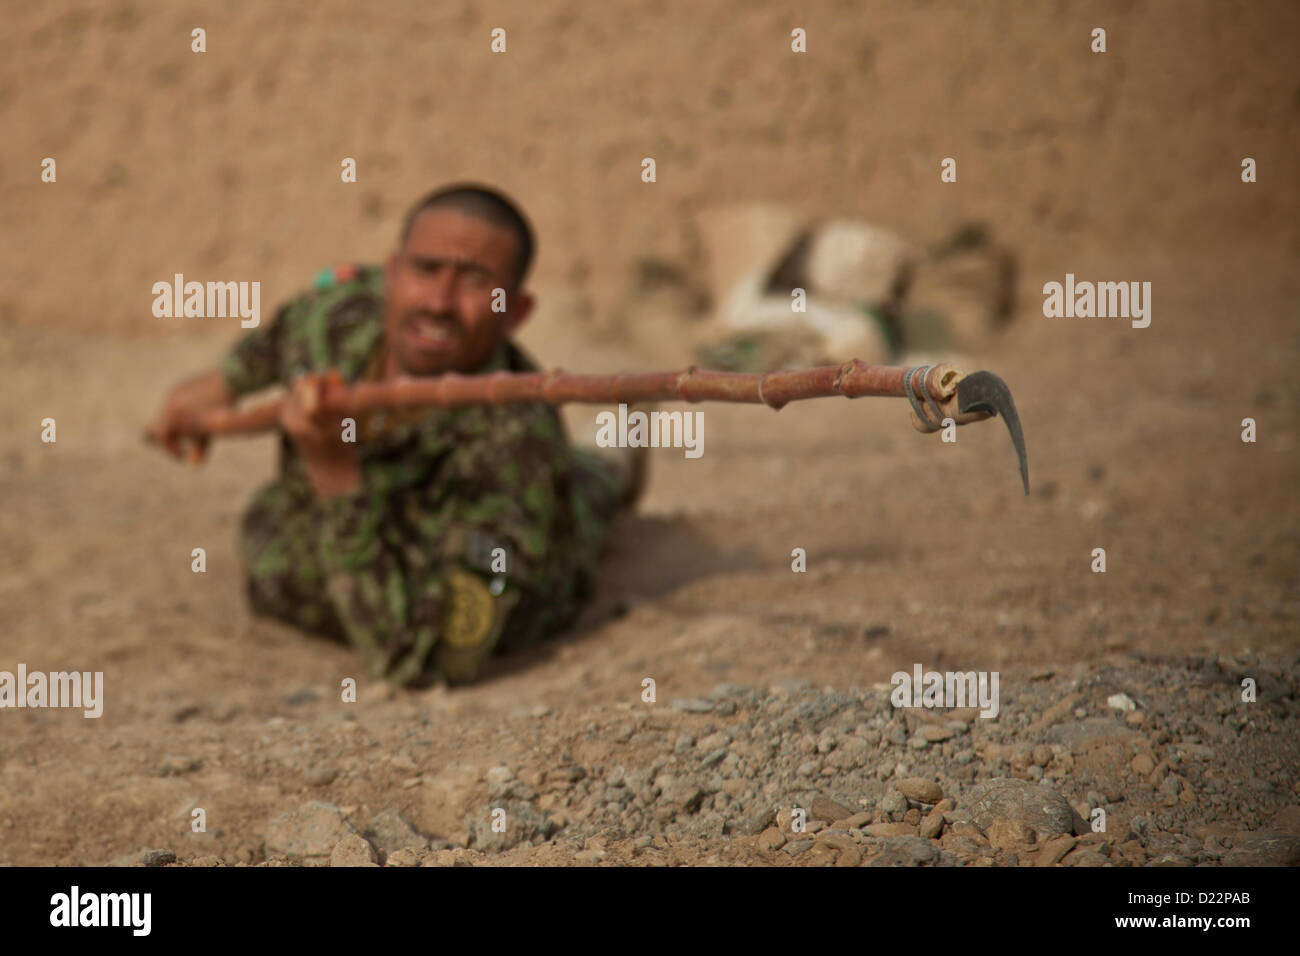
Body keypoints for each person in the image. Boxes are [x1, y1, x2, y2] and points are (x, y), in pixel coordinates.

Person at [146, 184, 641, 686]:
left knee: (583, 500)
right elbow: (290, 329)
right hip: (357, 536)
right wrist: (223, 383)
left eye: (475, 281)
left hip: (484, 560)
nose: (439, 303)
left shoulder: (517, 446)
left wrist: (333, 471)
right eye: (425, 269)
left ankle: (612, 453)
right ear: (392, 273)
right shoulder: (341, 316)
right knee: (272, 538)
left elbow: (424, 660)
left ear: (516, 312)